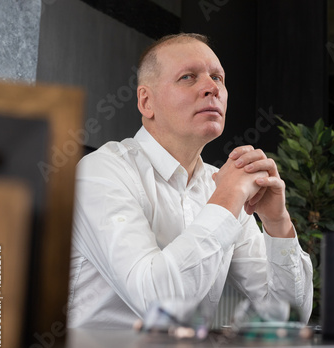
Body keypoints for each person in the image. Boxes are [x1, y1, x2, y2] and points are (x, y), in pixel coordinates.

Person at [67, 33, 313, 329]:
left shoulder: (221, 185)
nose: (212, 88)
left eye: (218, 78)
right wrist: (228, 197)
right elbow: (158, 305)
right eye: (188, 77)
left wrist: (277, 223)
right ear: (147, 101)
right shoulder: (101, 172)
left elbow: (289, 315)